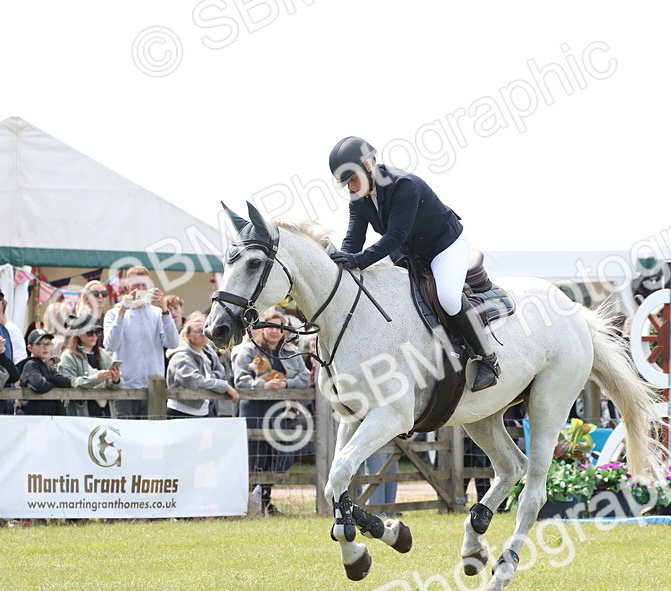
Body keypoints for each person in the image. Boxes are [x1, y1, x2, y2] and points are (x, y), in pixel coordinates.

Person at [327, 135, 500, 391]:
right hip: (409, 251)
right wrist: (343, 262)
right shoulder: (357, 197)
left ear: (368, 166)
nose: (351, 187)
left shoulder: (404, 185)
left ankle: (486, 358)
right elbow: (354, 237)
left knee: (449, 299)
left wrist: (359, 260)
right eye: (347, 183)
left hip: (444, 245)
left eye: (353, 179)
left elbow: (395, 235)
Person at [231, 307, 311, 515]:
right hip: (253, 409)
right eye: (270, 327)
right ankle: (250, 505)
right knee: (255, 457)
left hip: (280, 411)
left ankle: (261, 492)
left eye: (279, 328)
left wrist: (286, 385)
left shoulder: (292, 352)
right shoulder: (249, 351)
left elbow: (305, 377)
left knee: (286, 452)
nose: (275, 331)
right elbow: (239, 379)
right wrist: (262, 386)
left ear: (284, 331)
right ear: (263, 329)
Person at [103, 266, 179, 419]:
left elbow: (173, 343)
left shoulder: (158, 314)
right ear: (127, 287)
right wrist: (122, 312)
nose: (140, 289)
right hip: (125, 388)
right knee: (123, 438)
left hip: (154, 389)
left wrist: (164, 310)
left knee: (152, 440)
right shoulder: (113, 313)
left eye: (144, 285)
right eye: (136, 285)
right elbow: (110, 345)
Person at [166, 315, 239, 418]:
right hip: (181, 412)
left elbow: (220, 374)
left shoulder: (208, 352)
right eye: (198, 331)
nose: (203, 334)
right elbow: (192, 380)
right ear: (188, 335)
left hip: (205, 410)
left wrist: (211, 381)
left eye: (205, 330)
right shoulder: (180, 355)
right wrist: (223, 386)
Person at [58, 327, 121, 417]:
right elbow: (68, 382)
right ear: (79, 334)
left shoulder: (104, 354)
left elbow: (119, 385)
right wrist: (96, 379)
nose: (94, 336)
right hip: (80, 415)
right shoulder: (68, 356)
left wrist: (116, 380)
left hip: (107, 414)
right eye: (90, 332)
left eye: (98, 332)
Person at [20, 330, 73, 416]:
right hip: (33, 418)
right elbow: (40, 385)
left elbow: (66, 382)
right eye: (40, 344)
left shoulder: (48, 367)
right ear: (30, 348)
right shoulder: (30, 365)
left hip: (50, 418)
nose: (45, 347)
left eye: (48, 344)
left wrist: (48, 379)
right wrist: (55, 383)